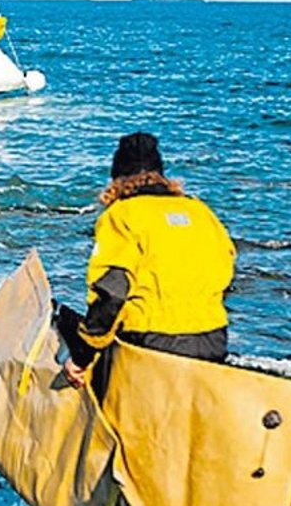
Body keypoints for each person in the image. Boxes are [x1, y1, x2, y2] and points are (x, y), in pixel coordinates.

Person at [56, 132, 236, 388]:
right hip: (213, 340)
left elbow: (112, 292)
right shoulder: (201, 212)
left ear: (117, 178)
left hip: (151, 345)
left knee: (71, 329)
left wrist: (81, 358)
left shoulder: (122, 215)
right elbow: (227, 274)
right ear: (162, 175)